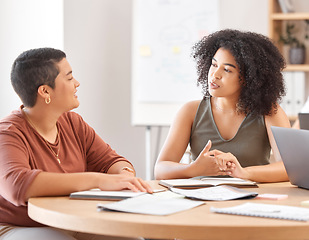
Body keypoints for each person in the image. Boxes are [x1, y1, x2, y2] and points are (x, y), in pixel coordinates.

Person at [0, 48, 152, 240]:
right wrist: (98, 180)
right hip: (18, 226)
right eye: (70, 78)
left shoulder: (73, 123)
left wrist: (124, 177)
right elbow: (17, 186)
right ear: (45, 91)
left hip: (74, 221)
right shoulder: (8, 132)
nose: (77, 83)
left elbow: (111, 161)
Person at [154, 29, 291, 183]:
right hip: (202, 200)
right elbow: (160, 169)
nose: (215, 74)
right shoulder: (190, 111)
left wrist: (244, 173)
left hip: (252, 201)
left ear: (249, 78)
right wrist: (192, 169)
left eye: (227, 69)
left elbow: (290, 168)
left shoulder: (270, 112)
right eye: (214, 64)